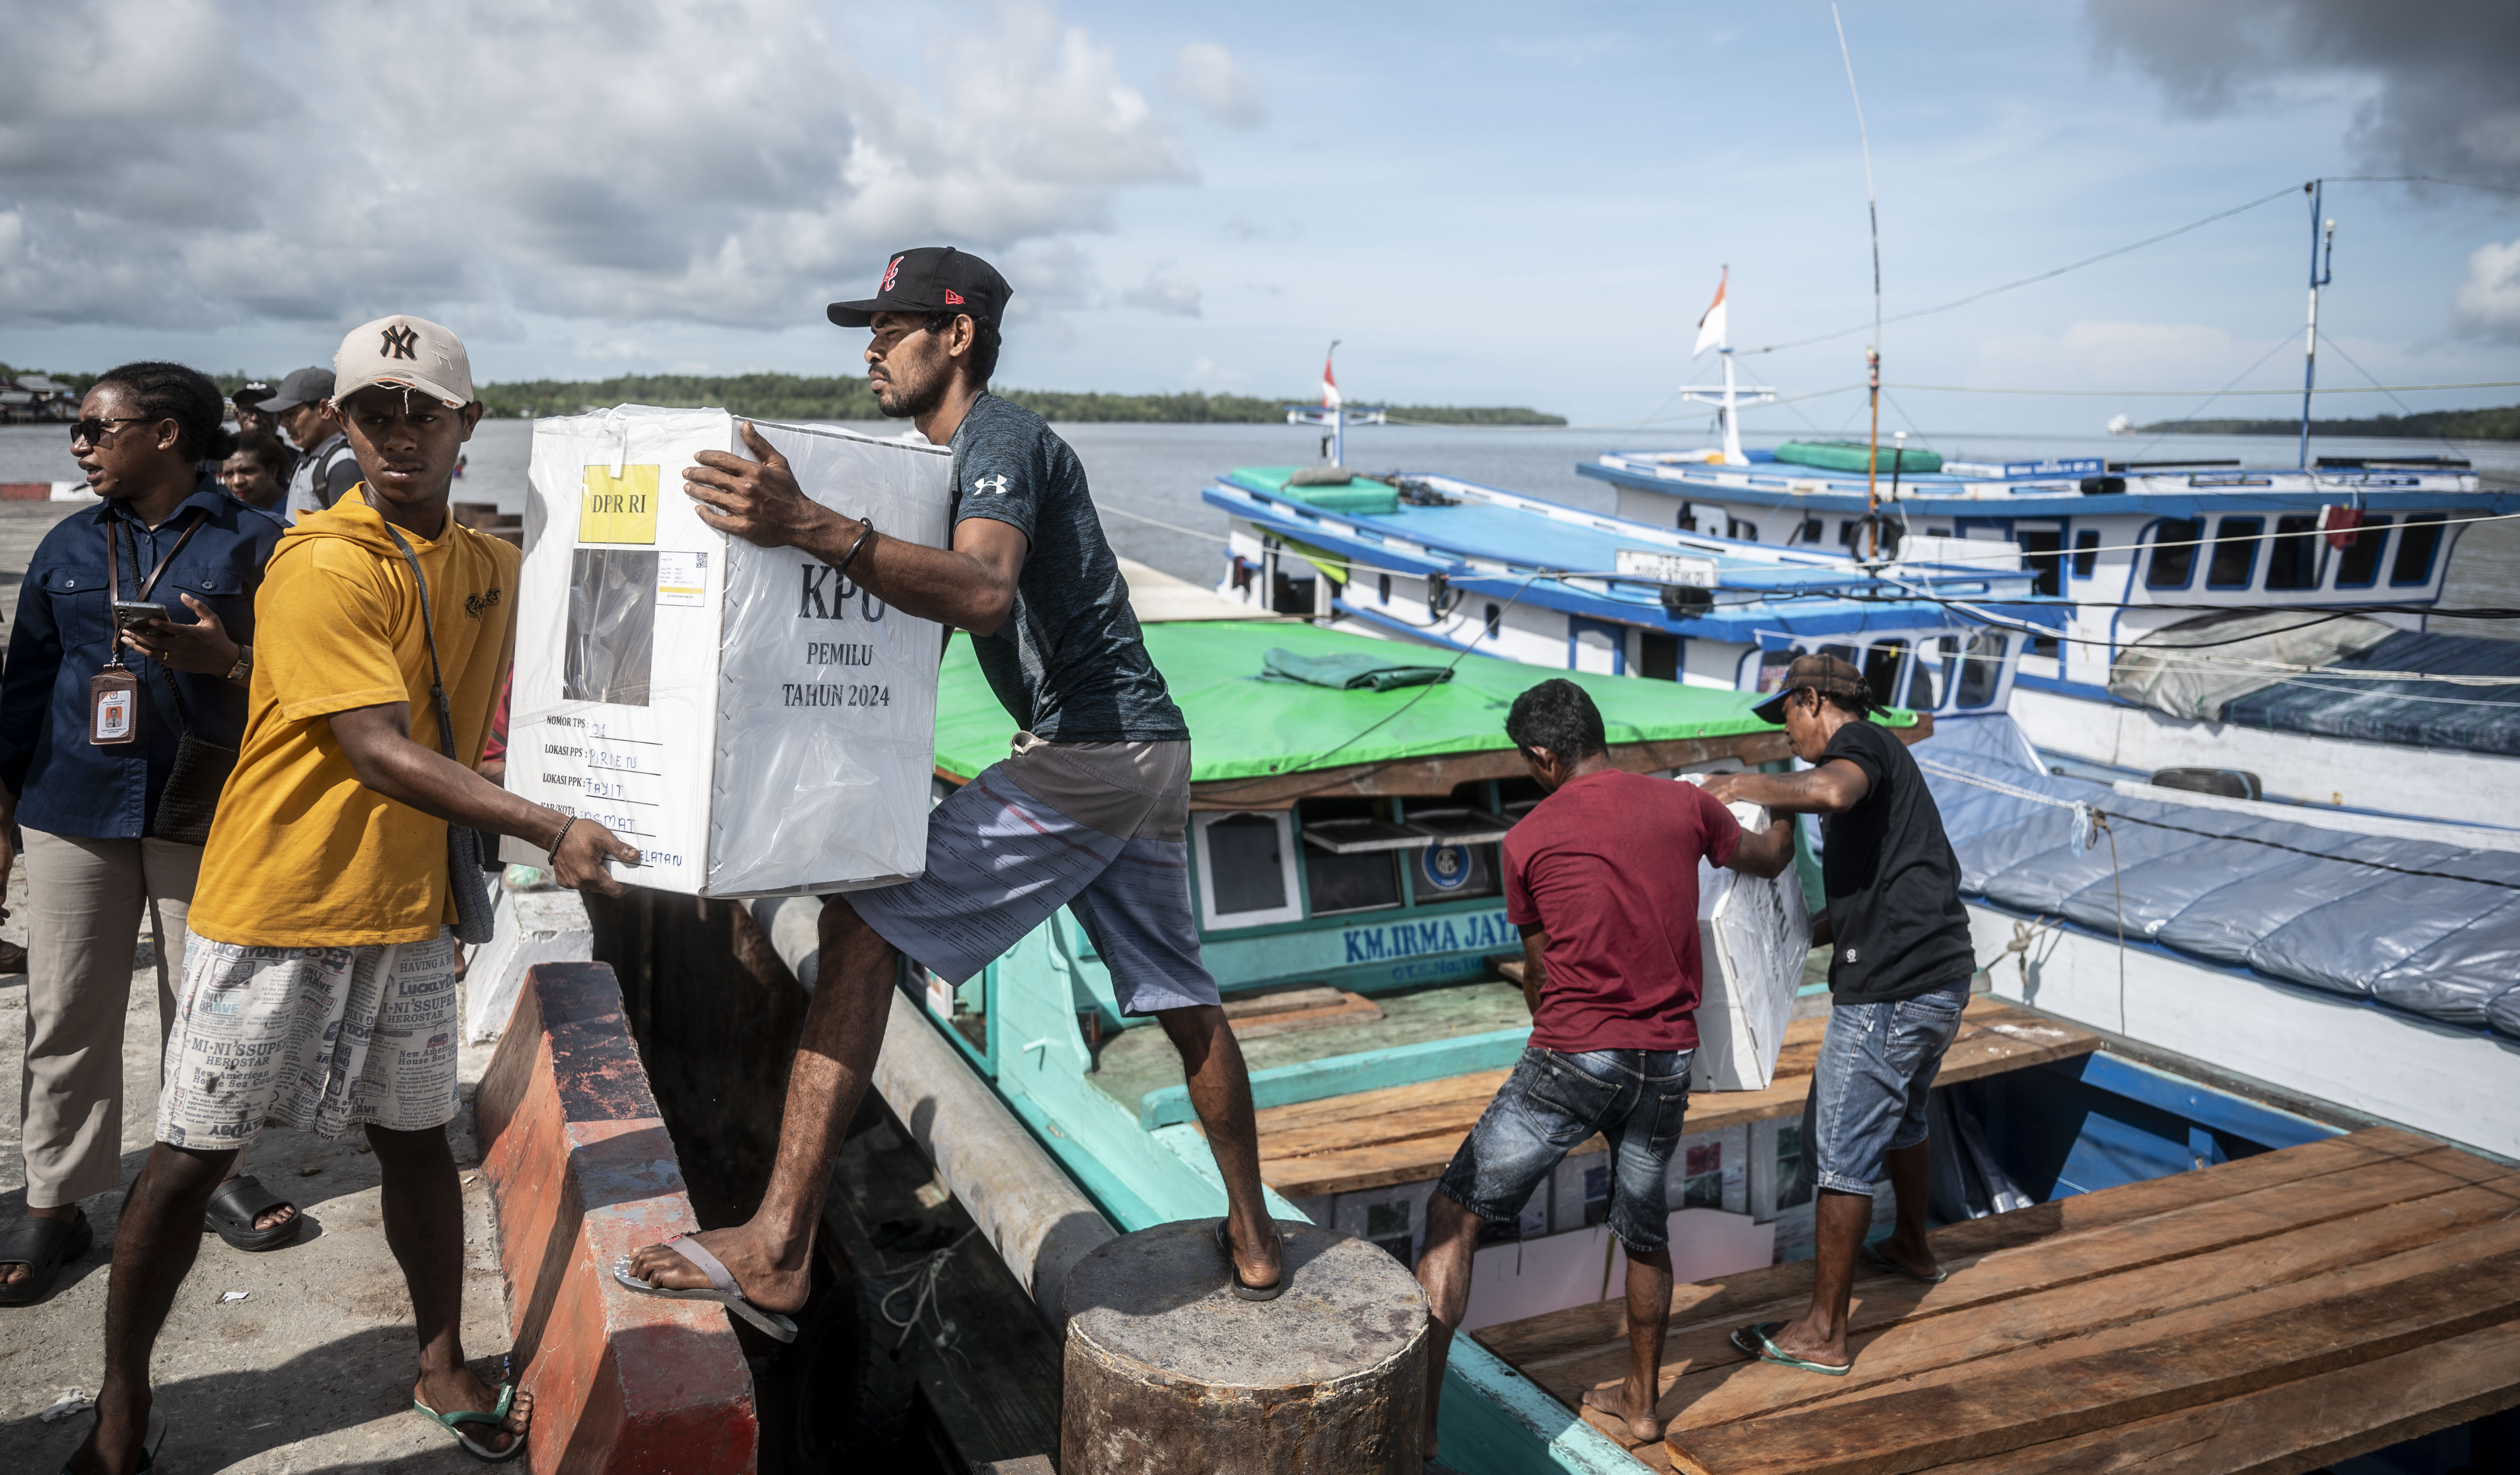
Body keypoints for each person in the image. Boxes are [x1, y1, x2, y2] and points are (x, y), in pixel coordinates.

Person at [623, 246, 1286, 1324]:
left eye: (892, 329)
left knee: (856, 927)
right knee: (1180, 996)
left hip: (1092, 751)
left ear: (958, 334)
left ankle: (779, 1247)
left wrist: (806, 523)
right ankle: (1253, 1237)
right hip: (1144, 747)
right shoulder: (943, 466)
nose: (871, 350)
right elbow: (916, 630)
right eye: (869, 334)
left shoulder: (998, 437)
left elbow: (979, 591)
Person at [61, 316, 639, 1475]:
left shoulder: (489, 567)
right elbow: (374, 746)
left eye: (425, 412)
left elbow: (608, 632)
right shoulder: (322, 557)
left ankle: (440, 1358)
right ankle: (120, 1402)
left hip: (409, 907)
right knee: (192, 1156)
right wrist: (548, 825)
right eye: (376, 414)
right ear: (346, 425)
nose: (400, 435)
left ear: (469, 425)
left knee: (417, 1136)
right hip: (282, 900)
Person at [1413, 680, 1796, 1453]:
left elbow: (1538, 971)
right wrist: (1783, 794)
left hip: (1575, 1053)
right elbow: (1771, 855)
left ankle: (1416, 1426)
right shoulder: (1686, 804)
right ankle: (1643, 1405)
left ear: (1543, 755)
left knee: (1455, 1214)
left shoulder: (1526, 838)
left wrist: (1555, 1042)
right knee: (1644, 1230)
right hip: (1667, 1060)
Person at [0, 362, 302, 1306]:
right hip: (70, 803)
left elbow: (307, 680)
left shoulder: (261, 542)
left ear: (166, 433)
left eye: (98, 427)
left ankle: (211, 1172)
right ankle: (54, 1198)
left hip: (206, 803)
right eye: (78, 429)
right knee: (65, 1006)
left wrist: (231, 657)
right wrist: (2, 809)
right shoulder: (66, 542)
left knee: (210, 1005)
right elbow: (24, 682)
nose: (80, 443)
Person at [1701, 653, 1978, 1376]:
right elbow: (1872, 895)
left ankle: (1824, 1331)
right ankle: (1912, 1245)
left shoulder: (1860, 745)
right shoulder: (1885, 763)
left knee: (1839, 1150)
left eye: (1787, 716)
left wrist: (1736, 785)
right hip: (1941, 978)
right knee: (1905, 1117)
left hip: (1891, 992)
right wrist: (1795, 931)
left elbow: (1829, 790)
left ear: (1813, 699)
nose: (1787, 733)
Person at [255, 365, 361, 522]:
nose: (283, 423)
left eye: (291, 414)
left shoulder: (343, 465)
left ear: (325, 409)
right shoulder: (309, 457)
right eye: (282, 416)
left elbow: (351, 532)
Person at [220, 433, 294, 519]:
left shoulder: (297, 515)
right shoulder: (229, 517)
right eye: (229, 474)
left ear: (273, 470)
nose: (237, 482)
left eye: (247, 471)